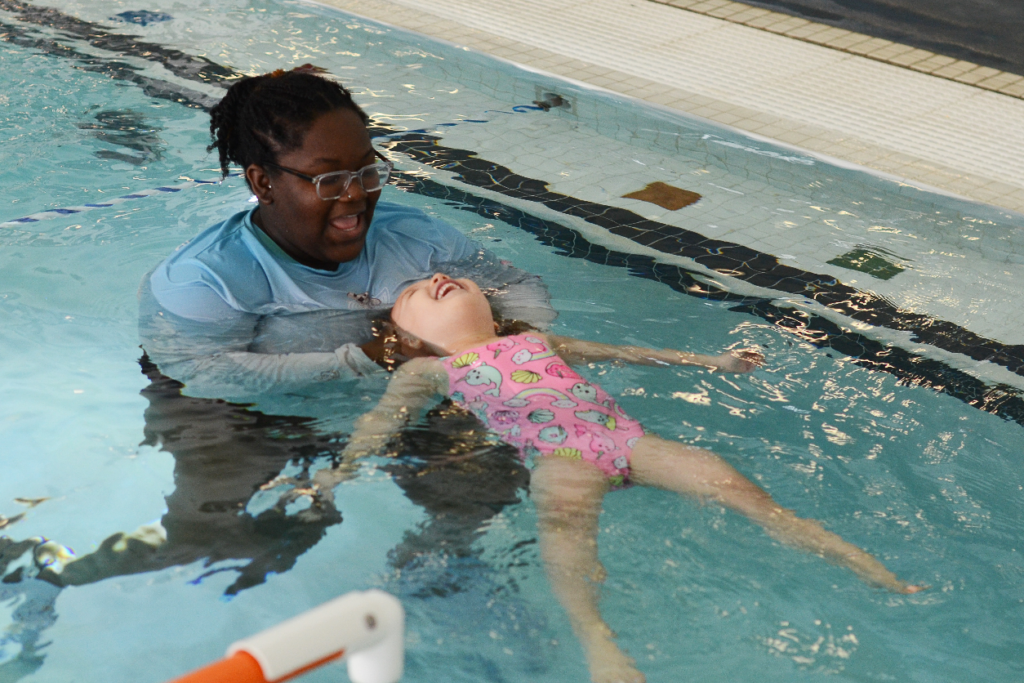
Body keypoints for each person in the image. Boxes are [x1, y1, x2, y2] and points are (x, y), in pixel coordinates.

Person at [296, 272, 924, 683]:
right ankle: (597, 641)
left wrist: (715, 362)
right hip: (560, 459)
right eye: (413, 294)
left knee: (730, 484)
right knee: (565, 535)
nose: (434, 280)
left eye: (446, 279)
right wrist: (338, 475)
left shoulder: (537, 339)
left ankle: (855, 561)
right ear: (409, 342)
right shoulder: (428, 373)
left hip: (630, 441)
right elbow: (379, 425)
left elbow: (627, 354)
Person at [141, 64, 552, 396]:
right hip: (234, 417)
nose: (356, 194)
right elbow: (203, 374)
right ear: (263, 183)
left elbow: (514, 284)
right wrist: (374, 358)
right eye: (329, 179)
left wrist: (520, 341)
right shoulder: (207, 280)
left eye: (366, 170)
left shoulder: (419, 239)